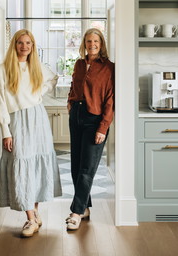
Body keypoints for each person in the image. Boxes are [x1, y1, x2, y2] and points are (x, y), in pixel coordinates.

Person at [0, 29, 62, 238]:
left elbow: (53, 79)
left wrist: (38, 93)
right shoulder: (3, 69)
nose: (24, 47)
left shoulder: (37, 67)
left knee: (35, 165)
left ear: (32, 46)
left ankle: (33, 215)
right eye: (20, 43)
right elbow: (0, 102)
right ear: (14, 44)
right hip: (16, 120)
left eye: (28, 43)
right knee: (21, 163)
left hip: (38, 118)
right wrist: (5, 131)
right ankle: (30, 218)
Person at [66, 28, 114, 230]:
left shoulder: (109, 67)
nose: (92, 44)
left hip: (95, 119)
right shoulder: (78, 64)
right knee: (76, 166)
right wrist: (69, 101)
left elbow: (111, 99)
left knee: (87, 168)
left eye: (95, 41)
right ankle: (84, 207)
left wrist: (103, 127)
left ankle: (76, 212)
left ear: (101, 44)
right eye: (88, 41)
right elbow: (74, 85)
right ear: (84, 43)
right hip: (76, 116)